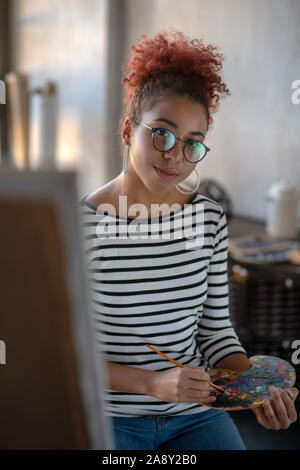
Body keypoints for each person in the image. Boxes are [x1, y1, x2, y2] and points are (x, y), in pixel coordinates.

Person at [79, 30, 298, 450]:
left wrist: (254, 389)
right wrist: (154, 383)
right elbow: (67, 353)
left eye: (192, 144)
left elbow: (215, 332)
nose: (175, 156)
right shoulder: (79, 225)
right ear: (128, 130)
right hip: (111, 418)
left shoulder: (209, 219)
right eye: (161, 133)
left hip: (195, 417)